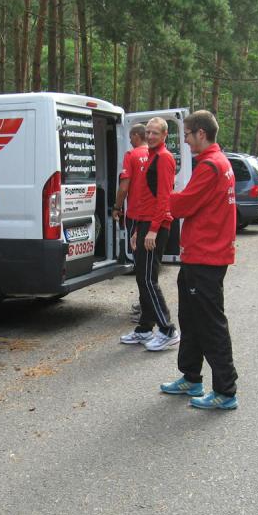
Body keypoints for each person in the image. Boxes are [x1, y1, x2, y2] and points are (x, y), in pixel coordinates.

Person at [160, 110, 239, 410]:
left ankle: (225, 391)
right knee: (190, 319)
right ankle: (191, 377)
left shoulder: (210, 166)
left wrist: (167, 194)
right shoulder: (218, 162)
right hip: (198, 254)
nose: (186, 141)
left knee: (210, 324)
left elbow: (183, 205)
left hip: (206, 256)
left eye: (188, 135)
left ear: (201, 133)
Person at [118, 117, 180, 352]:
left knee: (147, 279)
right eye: (148, 132)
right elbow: (145, 198)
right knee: (142, 278)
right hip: (144, 224)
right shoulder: (151, 156)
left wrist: (153, 229)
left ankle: (168, 330)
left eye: (155, 133)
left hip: (156, 226)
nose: (151, 136)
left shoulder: (163, 158)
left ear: (164, 136)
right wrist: (137, 230)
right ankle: (145, 328)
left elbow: (164, 198)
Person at [112, 124, 149, 323]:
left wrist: (117, 207)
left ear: (136, 136)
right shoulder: (155, 154)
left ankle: (147, 307)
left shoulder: (132, 155)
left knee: (140, 263)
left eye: (131, 136)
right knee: (148, 264)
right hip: (151, 215)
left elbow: (124, 187)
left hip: (136, 214)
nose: (130, 140)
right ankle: (145, 302)